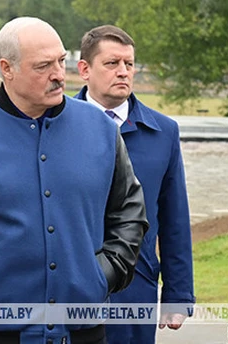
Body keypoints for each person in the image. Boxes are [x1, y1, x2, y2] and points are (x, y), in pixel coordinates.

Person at [0, 17, 148, 344]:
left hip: (81, 330)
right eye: (43, 66)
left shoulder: (102, 130)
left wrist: (104, 273)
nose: (59, 74)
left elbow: (130, 211)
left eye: (62, 61)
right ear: (7, 69)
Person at [74, 25, 194, 344]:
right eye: (112, 63)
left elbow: (174, 219)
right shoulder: (55, 125)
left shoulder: (163, 132)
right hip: (69, 283)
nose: (123, 72)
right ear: (84, 69)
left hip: (134, 284)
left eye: (129, 64)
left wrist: (178, 295)